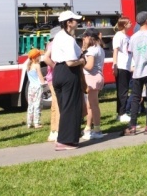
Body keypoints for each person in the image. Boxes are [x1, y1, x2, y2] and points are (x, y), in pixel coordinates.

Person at [44, 10, 86, 151]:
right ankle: (66, 140)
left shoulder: (58, 36)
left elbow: (49, 57)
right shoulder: (68, 39)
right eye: (75, 20)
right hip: (68, 72)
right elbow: (70, 62)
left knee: (64, 106)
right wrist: (81, 60)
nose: (77, 22)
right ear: (69, 23)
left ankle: (64, 138)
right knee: (71, 106)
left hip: (58, 71)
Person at [124, 11, 147, 135]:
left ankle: (133, 126)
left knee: (136, 98)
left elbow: (131, 54)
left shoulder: (133, 37)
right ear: (146, 21)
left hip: (137, 70)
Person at [82, 29, 105, 140]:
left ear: (89, 38)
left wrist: (81, 63)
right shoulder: (99, 48)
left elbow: (89, 66)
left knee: (93, 105)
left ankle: (97, 129)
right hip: (97, 77)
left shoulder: (91, 50)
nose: (84, 40)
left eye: (85, 37)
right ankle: (88, 128)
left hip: (91, 78)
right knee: (90, 105)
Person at [112, 17, 132, 123]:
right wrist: (114, 65)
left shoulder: (127, 36)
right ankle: (122, 113)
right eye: (129, 22)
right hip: (121, 66)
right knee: (122, 91)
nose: (131, 23)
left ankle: (121, 112)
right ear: (124, 25)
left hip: (127, 66)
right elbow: (115, 51)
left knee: (125, 90)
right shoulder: (118, 36)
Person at [44, 26, 61, 142]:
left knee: (54, 105)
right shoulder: (55, 44)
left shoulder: (49, 45)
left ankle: (53, 130)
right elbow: (47, 59)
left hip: (50, 77)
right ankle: (59, 130)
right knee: (59, 104)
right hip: (55, 76)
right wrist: (57, 67)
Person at [25, 48, 46, 129]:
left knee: (30, 105)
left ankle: (29, 123)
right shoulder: (37, 65)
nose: (40, 57)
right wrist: (44, 82)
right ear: (35, 57)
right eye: (39, 55)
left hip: (31, 87)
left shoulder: (28, 66)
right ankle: (36, 123)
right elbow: (40, 76)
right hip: (37, 87)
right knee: (37, 104)